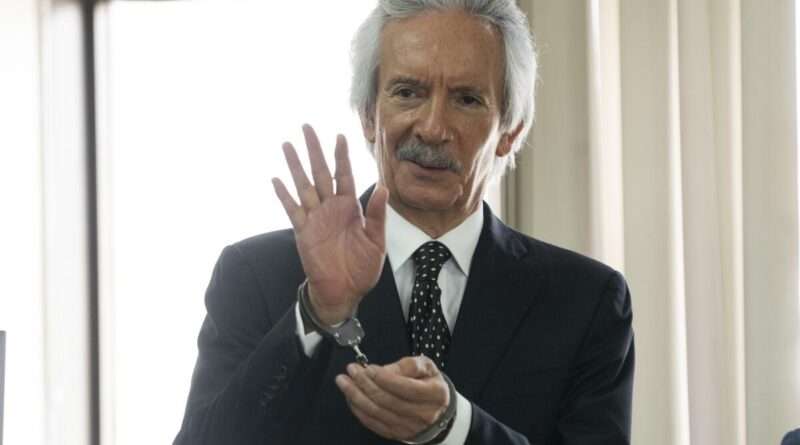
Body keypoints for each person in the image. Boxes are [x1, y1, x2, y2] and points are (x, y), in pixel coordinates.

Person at [174, 1, 634, 444]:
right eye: (408, 93)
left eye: (466, 99)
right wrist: (316, 313)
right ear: (368, 115)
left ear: (509, 132)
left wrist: (455, 428)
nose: (432, 128)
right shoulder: (256, 274)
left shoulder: (587, 301)